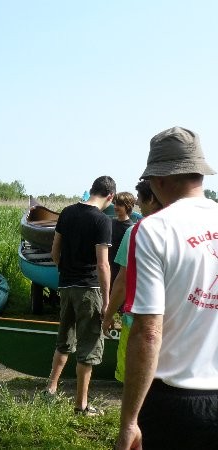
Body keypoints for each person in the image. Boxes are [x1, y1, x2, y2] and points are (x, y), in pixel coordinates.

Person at [116, 126, 218, 449]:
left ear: (158, 180)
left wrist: (129, 422)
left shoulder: (153, 230)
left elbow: (148, 332)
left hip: (174, 403)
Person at [45, 175, 115, 416]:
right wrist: (107, 301)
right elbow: (103, 265)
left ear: (92, 190)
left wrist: (64, 272)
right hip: (90, 289)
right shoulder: (102, 221)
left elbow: (55, 251)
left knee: (64, 339)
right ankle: (81, 406)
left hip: (66, 285)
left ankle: (51, 389)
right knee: (90, 345)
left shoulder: (66, 212)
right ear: (110, 196)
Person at [102, 180, 162, 382]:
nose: (139, 208)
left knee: (132, 375)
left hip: (139, 318)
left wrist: (109, 314)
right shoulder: (190, 229)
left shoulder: (137, 231)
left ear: (152, 199)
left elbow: (123, 281)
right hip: (177, 320)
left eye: (140, 202)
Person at [109, 192, 136, 288]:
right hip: (108, 268)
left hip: (120, 272)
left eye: (119, 204)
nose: (115, 207)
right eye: (115, 203)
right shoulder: (110, 223)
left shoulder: (131, 229)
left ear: (128, 207)